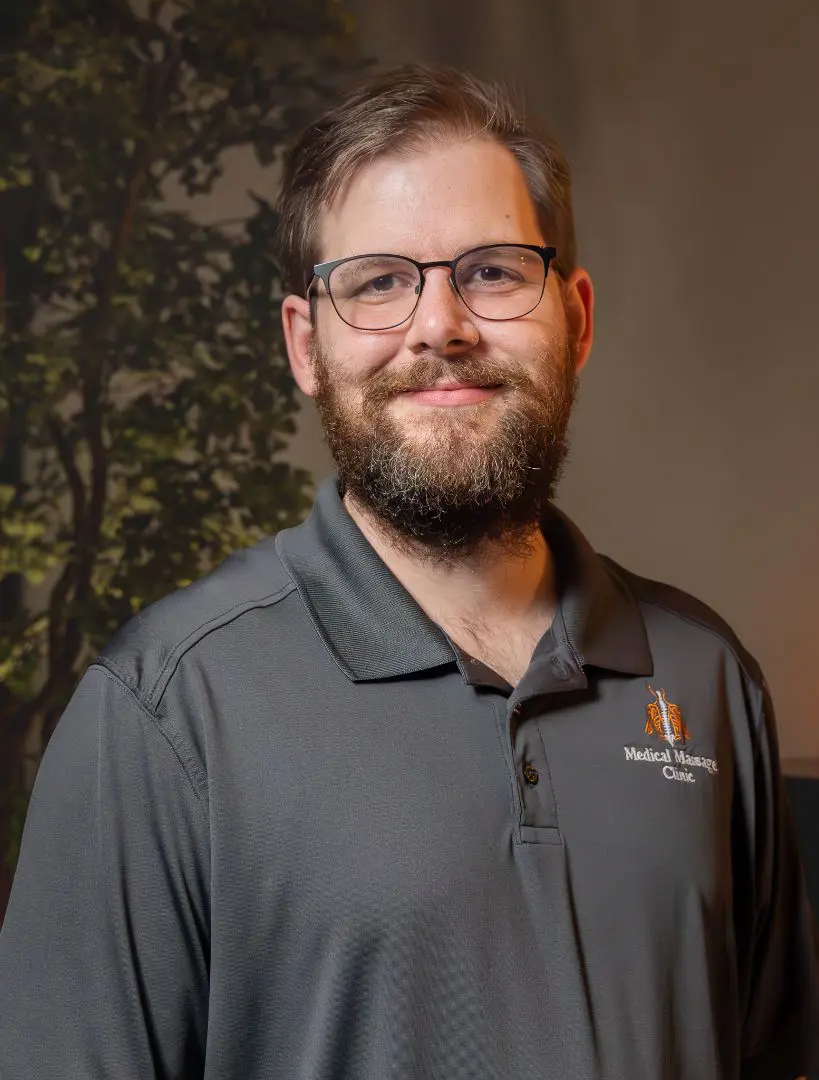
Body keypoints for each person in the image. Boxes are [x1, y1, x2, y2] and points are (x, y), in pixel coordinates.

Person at [0, 64, 817, 1080]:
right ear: (306, 345)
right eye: (380, 281)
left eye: (493, 270)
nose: (441, 325)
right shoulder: (165, 714)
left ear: (579, 318)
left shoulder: (705, 680)